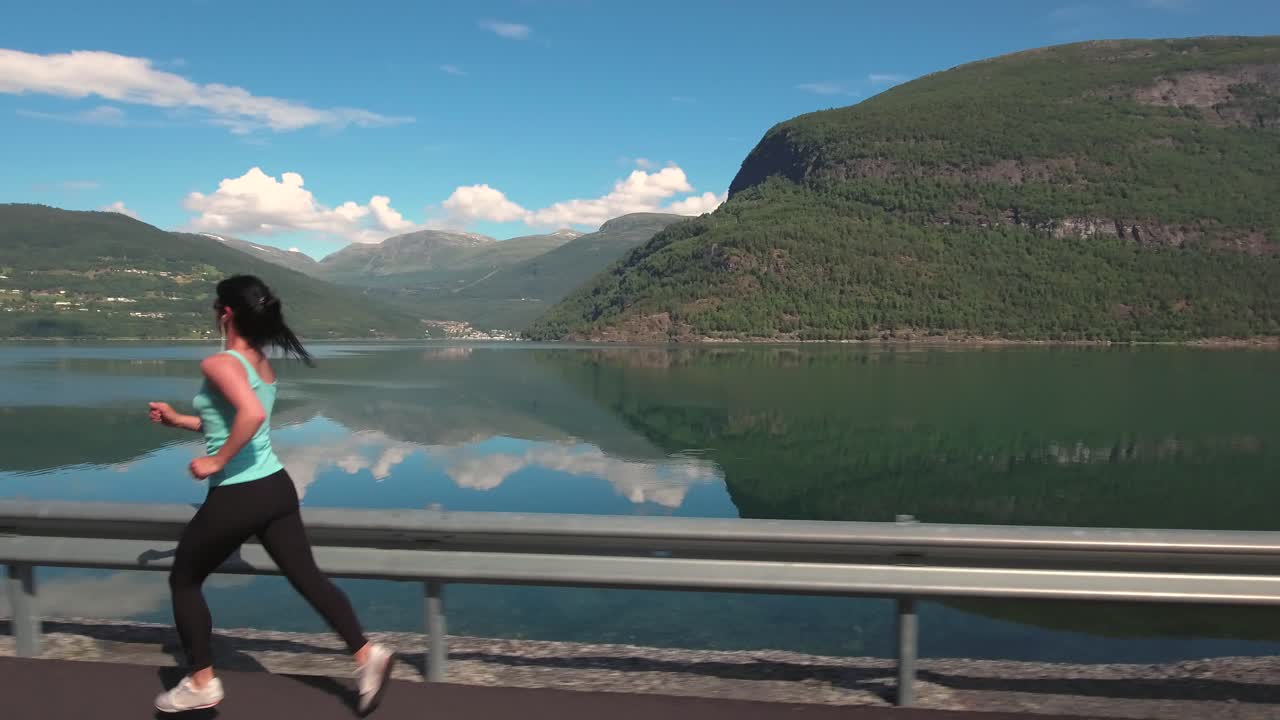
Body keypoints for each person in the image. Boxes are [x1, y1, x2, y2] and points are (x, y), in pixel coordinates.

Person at [147, 275, 393, 715]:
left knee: (184, 580)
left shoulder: (220, 364)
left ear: (224, 312)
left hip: (239, 495)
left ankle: (201, 682)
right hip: (276, 488)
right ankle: (366, 653)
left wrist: (218, 461)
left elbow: (251, 415)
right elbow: (232, 420)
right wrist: (179, 420)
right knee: (307, 578)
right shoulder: (259, 363)